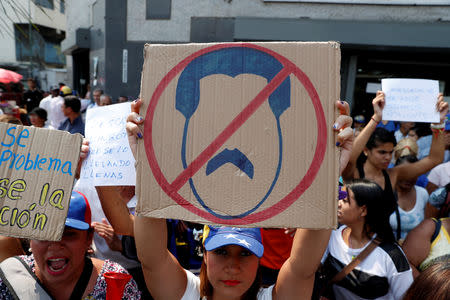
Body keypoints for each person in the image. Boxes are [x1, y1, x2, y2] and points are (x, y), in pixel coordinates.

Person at [126, 99, 354, 300]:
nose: (233, 267)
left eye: (245, 253)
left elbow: (303, 268)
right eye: (221, 252)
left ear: (259, 259)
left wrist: (328, 175)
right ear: (204, 254)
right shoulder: (186, 295)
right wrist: (146, 169)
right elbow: (152, 257)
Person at [0, 191, 141, 299]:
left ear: (88, 237)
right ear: (30, 238)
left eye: (68, 234)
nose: (55, 245)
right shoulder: (8, 279)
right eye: (43, 235)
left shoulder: (115, 282)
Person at [342, 91, 447, 218]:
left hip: (380, 237)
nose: (387, 157)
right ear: (366, 150)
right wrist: (376, 118)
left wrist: (439, 123)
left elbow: (434, 159)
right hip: (350, 236)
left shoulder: (394, 174)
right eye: (382, 152)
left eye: (391, 152)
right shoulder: (354, 173)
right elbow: (349, 158)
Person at [319, 179, 413, 300]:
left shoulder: (392, 256)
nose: (338, 204)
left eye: (345, 200)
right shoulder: (332, 237)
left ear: (363, 210)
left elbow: (406, 296)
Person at [389, 154, 428, 242]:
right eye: (405, 173)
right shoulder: (385, 193)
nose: (409, 178)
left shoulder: (423, 194)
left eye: (414, 174)